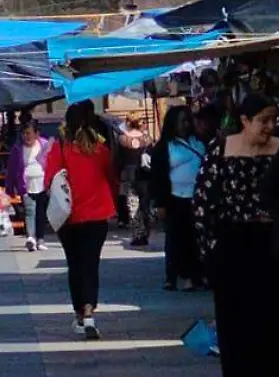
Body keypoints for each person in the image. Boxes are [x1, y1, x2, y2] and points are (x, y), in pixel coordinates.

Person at [193, 93, 279, 377]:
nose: (269, 127)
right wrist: (210, 252)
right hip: (233, 243)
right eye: (264, 120)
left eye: (273, 120)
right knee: (233, 320)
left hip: (274, 243)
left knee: (277, 318)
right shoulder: (221, 149)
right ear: (245, 120)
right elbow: (203, 202)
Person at [43, 101, 118, 340]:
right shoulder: (101, 149)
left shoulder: (60, 148)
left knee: (75, 265)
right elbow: (111, 180)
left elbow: (49, 181)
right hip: (97, 215)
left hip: (70, 217)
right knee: (91, 264)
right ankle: (89, 312)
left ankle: (79, 314)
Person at [149, 106, 207, 291]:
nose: (185, 125)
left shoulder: (198, 143)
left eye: (187, 120)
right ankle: (173, 274)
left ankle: (193, 275)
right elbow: (158, 176)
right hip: (174, 198)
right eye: (181, 121)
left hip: (197, 198)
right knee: (175, 238)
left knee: (194, 238)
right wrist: (160, 203)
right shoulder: (165, 147)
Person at [7, 120, 53, 250]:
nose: (26, 136)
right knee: (29, 210)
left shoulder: (44, 145)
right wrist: (10, 188)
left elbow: (52, 163)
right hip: (25, 184)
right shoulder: (17, 149)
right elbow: (12, 169)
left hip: (42, 183)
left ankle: (41, 239)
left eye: (29, 133)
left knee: (41, 212)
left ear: (36, 134)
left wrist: (51, 182)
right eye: (24, 134)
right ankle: (31, 238)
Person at [116, 115, 153, 246]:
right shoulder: (147, 139)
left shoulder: (122, 139)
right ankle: (146, 233)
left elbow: (118, 159)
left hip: (128, 175)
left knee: (133, 205)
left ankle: (138, 234)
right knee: (145, 206)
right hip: (144, 174)